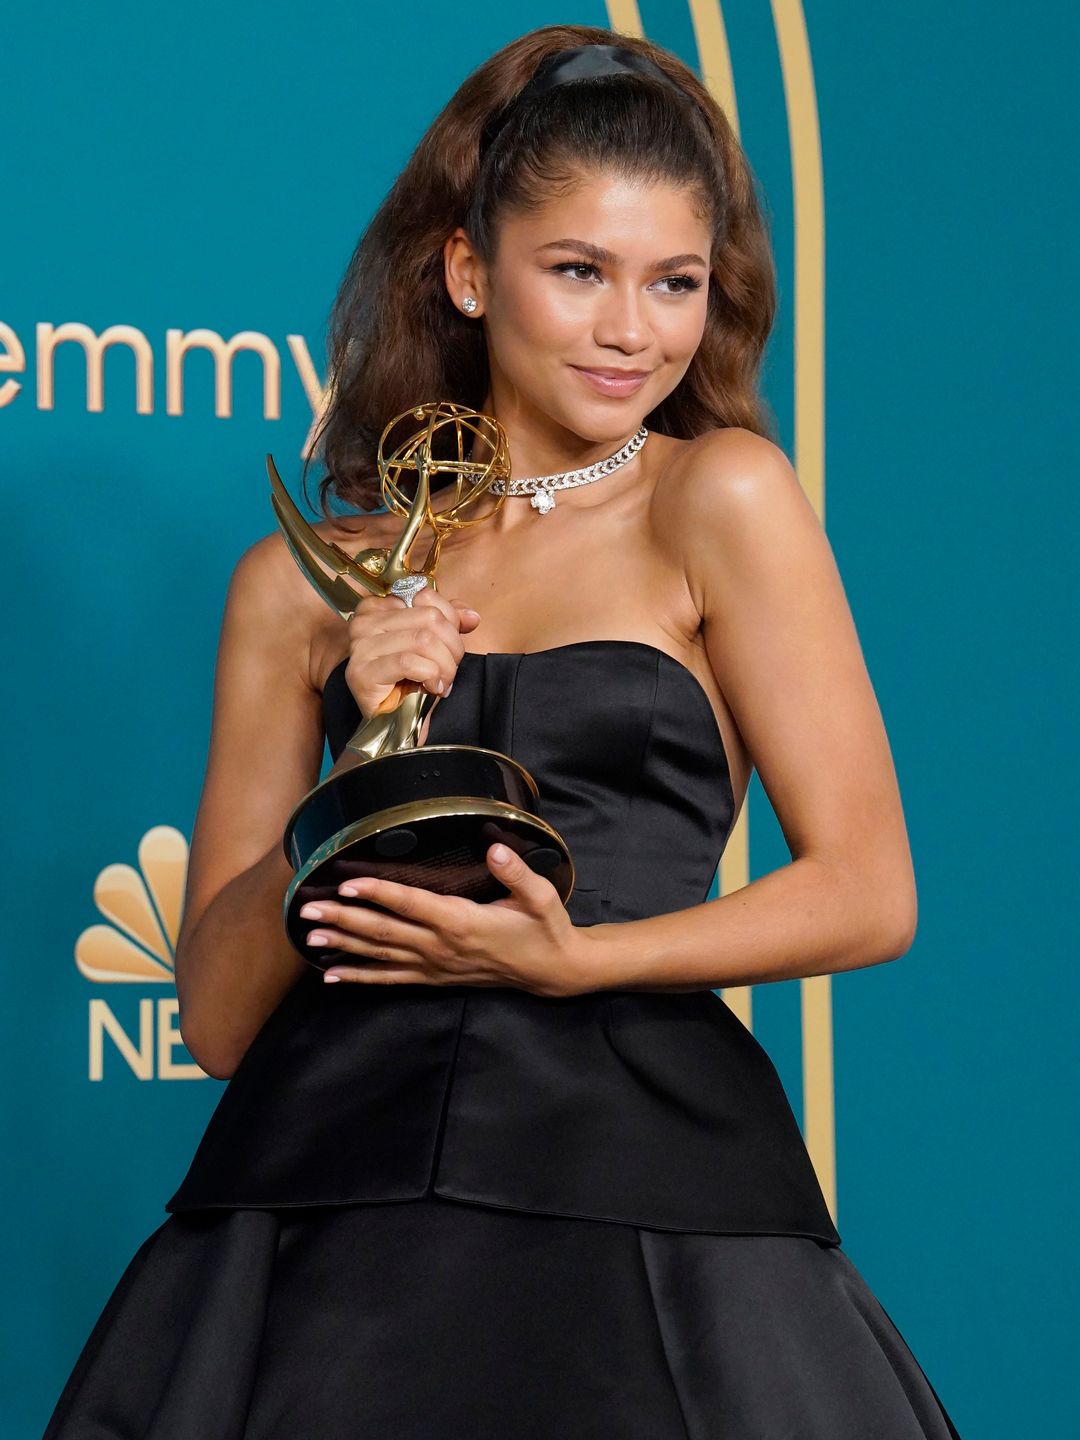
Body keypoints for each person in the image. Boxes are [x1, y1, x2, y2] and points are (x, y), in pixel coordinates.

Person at [42, 24, 964, 1440]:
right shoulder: (301, 584)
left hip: (643, 1173)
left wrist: (577, 960)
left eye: (675, 284)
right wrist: (363, 756)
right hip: (323, 1187)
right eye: (579, 271)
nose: (630, 329)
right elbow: (218, 1018)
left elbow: (868, 889)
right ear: (472, 272)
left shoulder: (716, 498)